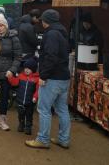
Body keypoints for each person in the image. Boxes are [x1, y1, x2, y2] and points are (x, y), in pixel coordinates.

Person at [26, 9, 71, 149]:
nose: (41, 22)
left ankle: (43, 140)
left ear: (46, 21)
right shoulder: (62, 33)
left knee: (44, 109)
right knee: (62, 109)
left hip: (53, 78)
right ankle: (64, 139)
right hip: (64, 77)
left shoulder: (51, 34)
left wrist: (43, 76)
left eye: (42, 20)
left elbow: (51, 56)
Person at [8, 57, 39, 135]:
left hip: (30, 102)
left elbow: (38, 90)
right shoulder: (21, 76)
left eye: (29, 69)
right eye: (25, 68)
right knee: (20, 114)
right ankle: (21, 124)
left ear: (33, 69)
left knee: (29, 115)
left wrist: (35, 97)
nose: (26, 70)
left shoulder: (36, 79)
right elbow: (14, 83)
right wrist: (10, 77)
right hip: (20, 100)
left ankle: (28, 127)